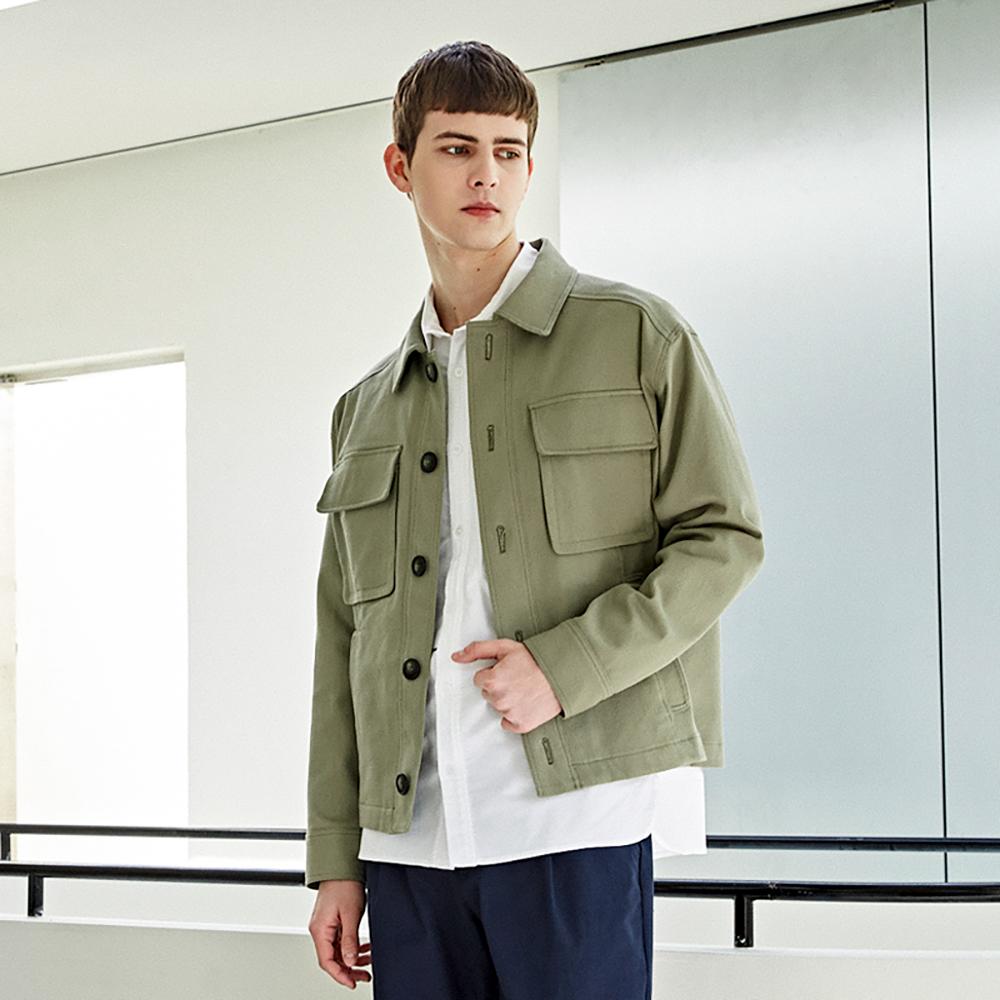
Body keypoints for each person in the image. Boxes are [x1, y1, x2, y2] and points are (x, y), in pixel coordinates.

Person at [305, 39, 765, 999]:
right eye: (456, 148)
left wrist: (567, 666)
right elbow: (342, 640)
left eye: (508, 151)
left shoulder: (637, 335)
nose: (487, 174)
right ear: (400, 166)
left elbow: (723, 539)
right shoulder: (365, 409)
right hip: (410, 842)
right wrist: (336, 855)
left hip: (575, 820)